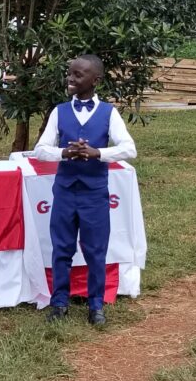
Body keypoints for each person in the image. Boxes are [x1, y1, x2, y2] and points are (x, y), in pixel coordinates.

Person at [33, 54, 136, 326]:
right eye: (70, 73)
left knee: (95, 250)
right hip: (65, 192)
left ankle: (95, 304)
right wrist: (64, 153)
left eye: (78, 75)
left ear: (95, 80)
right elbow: (40, 150)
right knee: (62, 248)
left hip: (94, 195)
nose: (70, 78)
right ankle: (59, 303)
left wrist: (97, 152)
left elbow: (129, 148)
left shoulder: (108, 113)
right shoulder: (59, 111)